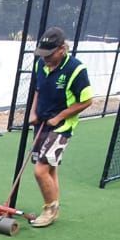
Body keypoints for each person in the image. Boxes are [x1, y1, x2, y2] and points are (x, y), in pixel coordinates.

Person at [25, 27, 94, 228]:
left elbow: (87, 101)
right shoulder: (41, 64)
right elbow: (38, 89)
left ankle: (49, 210)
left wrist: (60, 117)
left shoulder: (76, 69)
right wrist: (33, 112)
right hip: (41, 122)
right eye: (42, 54)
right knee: (50, 168)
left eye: (49, 54)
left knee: (40, 171)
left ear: (62, 49)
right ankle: (54, 207)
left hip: (62, 126)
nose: (45, 58)